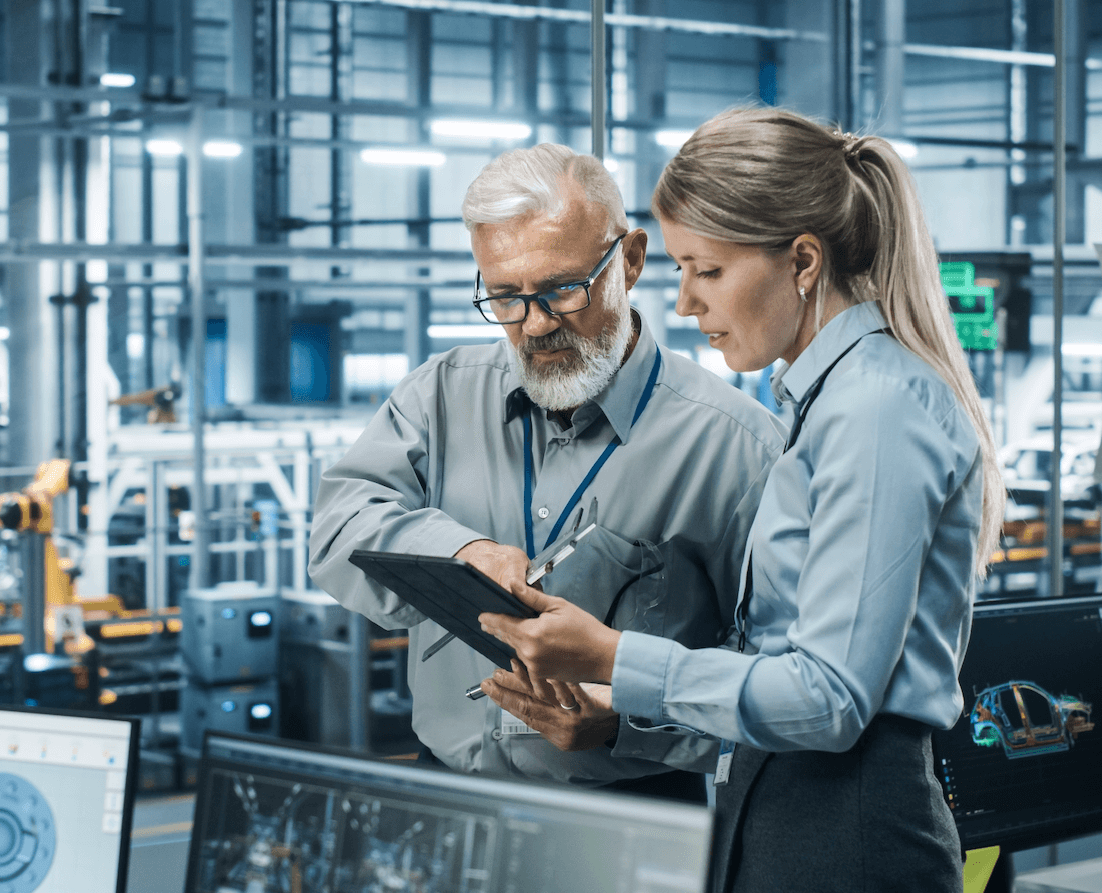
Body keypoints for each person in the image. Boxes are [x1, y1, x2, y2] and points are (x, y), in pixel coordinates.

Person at [477, 106, 1003, 893]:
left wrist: (613, 654)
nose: (685, 303)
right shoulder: (824, 402)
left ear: (801, 260)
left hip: (848, 837)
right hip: (788, 813)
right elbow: (780, 663)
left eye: (707, 270)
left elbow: (831, 698)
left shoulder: (874, 409)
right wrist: (620, 711)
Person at [309, 143, 782, 795]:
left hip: (633, 808)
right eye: (504, 297)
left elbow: (780, 680)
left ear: (633, 260)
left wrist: (631, 723)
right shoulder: (438, 396)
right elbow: (339, 526)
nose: (534, 325)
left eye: (562, 290)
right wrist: (460, 553)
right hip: (447, 788)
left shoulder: (739, 448)